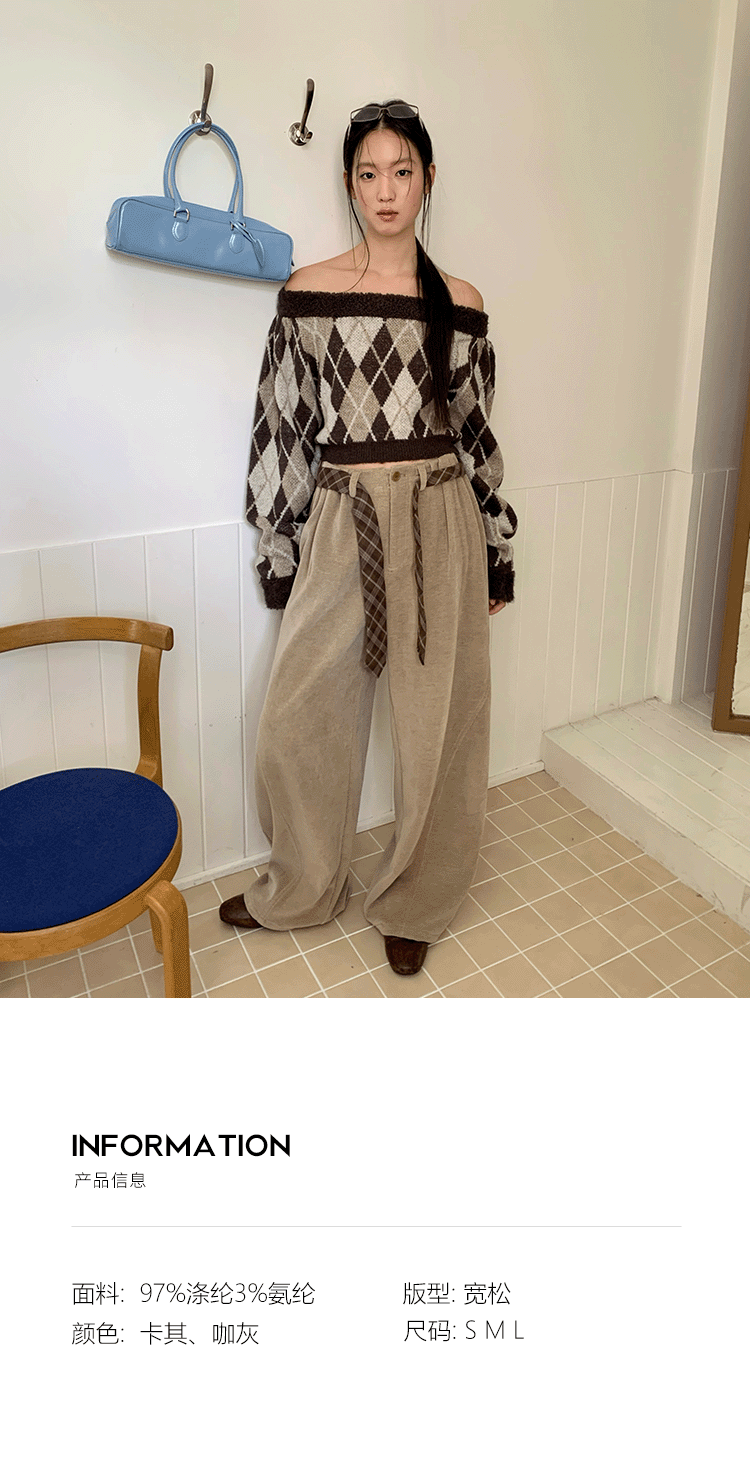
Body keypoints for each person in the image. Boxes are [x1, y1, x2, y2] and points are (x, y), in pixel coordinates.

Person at [219, 99, 517, 977]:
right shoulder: (307, 293)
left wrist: (497, 549)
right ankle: (303, 885)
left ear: (427, 179)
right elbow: (282, 427)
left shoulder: (461, 303)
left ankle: (417, 898)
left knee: (439, 725)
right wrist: (279, 549)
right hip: (341, 519)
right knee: (298, 714)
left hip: (440, 518)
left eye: (402, 171)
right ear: (350, 184)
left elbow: (477, 435)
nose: (386, 190)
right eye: (368, 172)